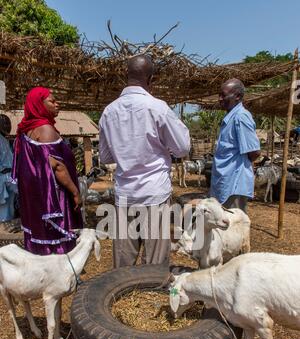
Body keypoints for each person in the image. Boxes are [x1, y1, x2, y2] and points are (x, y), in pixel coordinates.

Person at [99, 55, 190, 268]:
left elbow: (105, 157)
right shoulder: (158, 108)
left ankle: (120, 296)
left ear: (126, 75)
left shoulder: (109, 112)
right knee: (155, 264)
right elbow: (182, 148)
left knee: (123, 262)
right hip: (154, 192)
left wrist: (125, 152)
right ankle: (151, 292)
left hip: (125, 194)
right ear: (151, 79)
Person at [12, 87, 83, 255]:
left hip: (36, 196)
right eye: (52, 101)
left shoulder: (26, 130)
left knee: (41, 232)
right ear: (38, 105)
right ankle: (58, 264)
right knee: (55, 234)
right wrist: (75, 192)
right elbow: (57, 166)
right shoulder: (45, 129)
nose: (57, 104)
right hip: (53, 196)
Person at [210, 78, 261, 213]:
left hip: (233, 185)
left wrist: (237, 167)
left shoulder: (240, 117)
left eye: (224, 95)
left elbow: (254, 152)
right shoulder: (230, 118)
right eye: (219, 95)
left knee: (232, 228)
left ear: (237, 96)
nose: (220, 99)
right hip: (225, 183)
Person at [0, 114, 17, 222]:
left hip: (9, 177)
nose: (7, 125)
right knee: (4, 209)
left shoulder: (4, 140)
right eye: (4, 123)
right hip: (4, 177)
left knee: (8, 207)